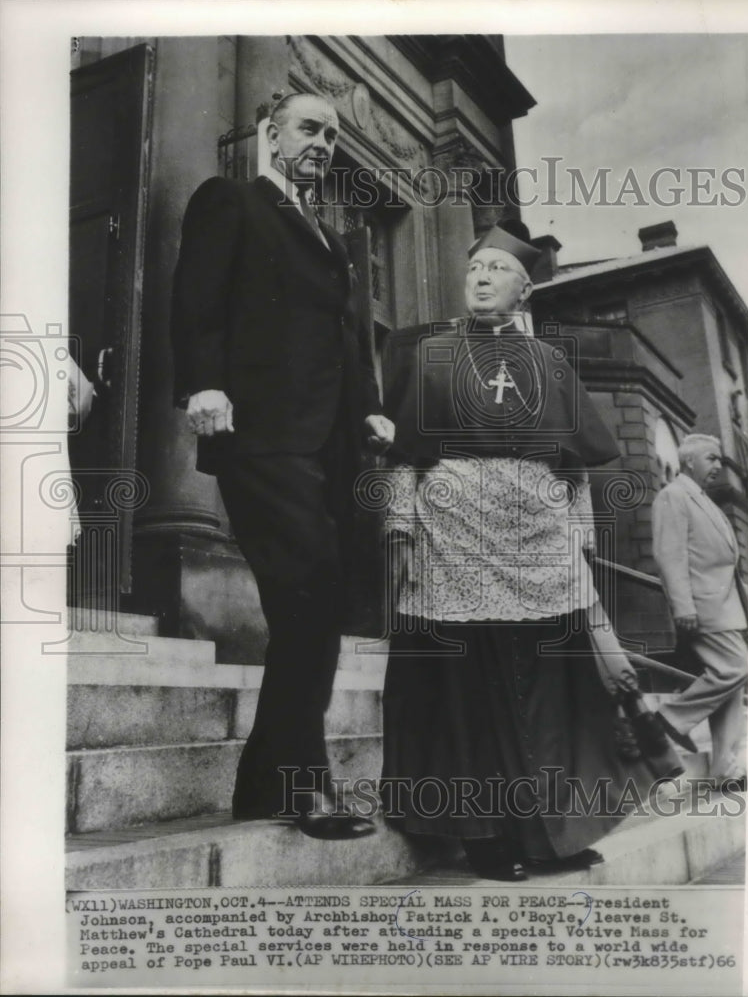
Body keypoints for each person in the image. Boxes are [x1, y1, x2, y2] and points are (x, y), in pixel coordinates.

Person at [379, 220, 677, 880]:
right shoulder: (430, 354)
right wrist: (398, 529)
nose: (480, 277)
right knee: (473, 690)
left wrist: (578, 540)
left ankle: (549, 835)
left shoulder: (549, 363)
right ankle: (484, 836)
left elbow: (574, 470)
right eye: (473, 268)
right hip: (453, 537)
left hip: (538, 543)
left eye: (495, 269)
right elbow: (402, 457)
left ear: (523, 290)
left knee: (544, 690)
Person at [171, 92, 394, 839]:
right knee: (310, 589)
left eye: (332, 134)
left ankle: (265, 781)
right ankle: (301, 785)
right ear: (270, 134)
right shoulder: (230, 200)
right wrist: (202, 382)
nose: (323, 142)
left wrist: (368, 407)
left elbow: (345, 338)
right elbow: (196, 301)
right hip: (260, 433)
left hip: (329, 445)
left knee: (320, 603)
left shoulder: (332, 238)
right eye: (309, 127)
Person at [651, 433, 748, 787]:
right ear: (689, 461)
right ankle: (667, 719)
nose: (719, 466)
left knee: (732, 689)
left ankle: (724, 767)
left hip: (727, 607)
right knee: (736, 668)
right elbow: (668, 555)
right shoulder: (673, 496)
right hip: (703, 607)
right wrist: (682, 605)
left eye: (720, 459)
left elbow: (726, 564)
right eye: (711, 458)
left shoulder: (704, 500)